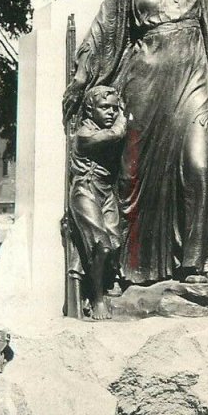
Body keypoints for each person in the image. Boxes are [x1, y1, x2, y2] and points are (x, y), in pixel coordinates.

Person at [63, 0, 208, 285]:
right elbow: (107, 27)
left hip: (193, 78)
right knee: (133, 176)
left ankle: (195, 265)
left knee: (198, 166)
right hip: (147, 81)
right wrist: (82, 76)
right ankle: (130, 268)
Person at [69, 86, 126, 319]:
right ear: (90, 109)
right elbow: (115, 135)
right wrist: (123, 116)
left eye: (114, 108)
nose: (111, 112)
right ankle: (97, 299)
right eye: (105, 107)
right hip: (86, 190)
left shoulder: (105, 127)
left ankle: (106, 282)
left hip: (106, 191)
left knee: (114, 241)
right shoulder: (84, 134)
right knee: (100, 244)